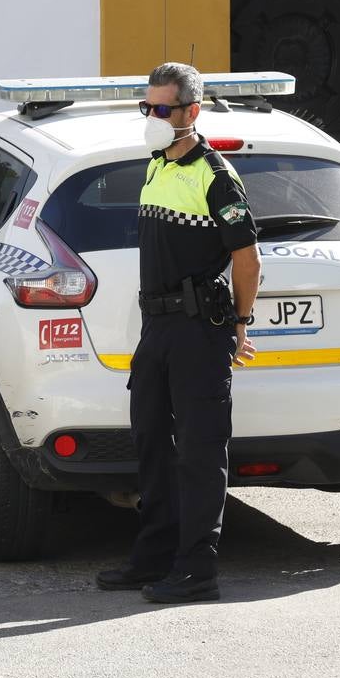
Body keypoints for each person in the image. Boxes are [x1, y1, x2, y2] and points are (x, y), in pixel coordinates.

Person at [96, 62, 260, 603]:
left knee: (198, 450)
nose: (152, 117)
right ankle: (155, 556)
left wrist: (240, 323)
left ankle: (197, 571)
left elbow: (247, 258)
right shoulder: (155, 168)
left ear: (192, 111)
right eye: (147, 108)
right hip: (158, 327)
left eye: (162, 109)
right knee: (150, 441)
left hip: (199, 329)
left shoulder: (216, 176)